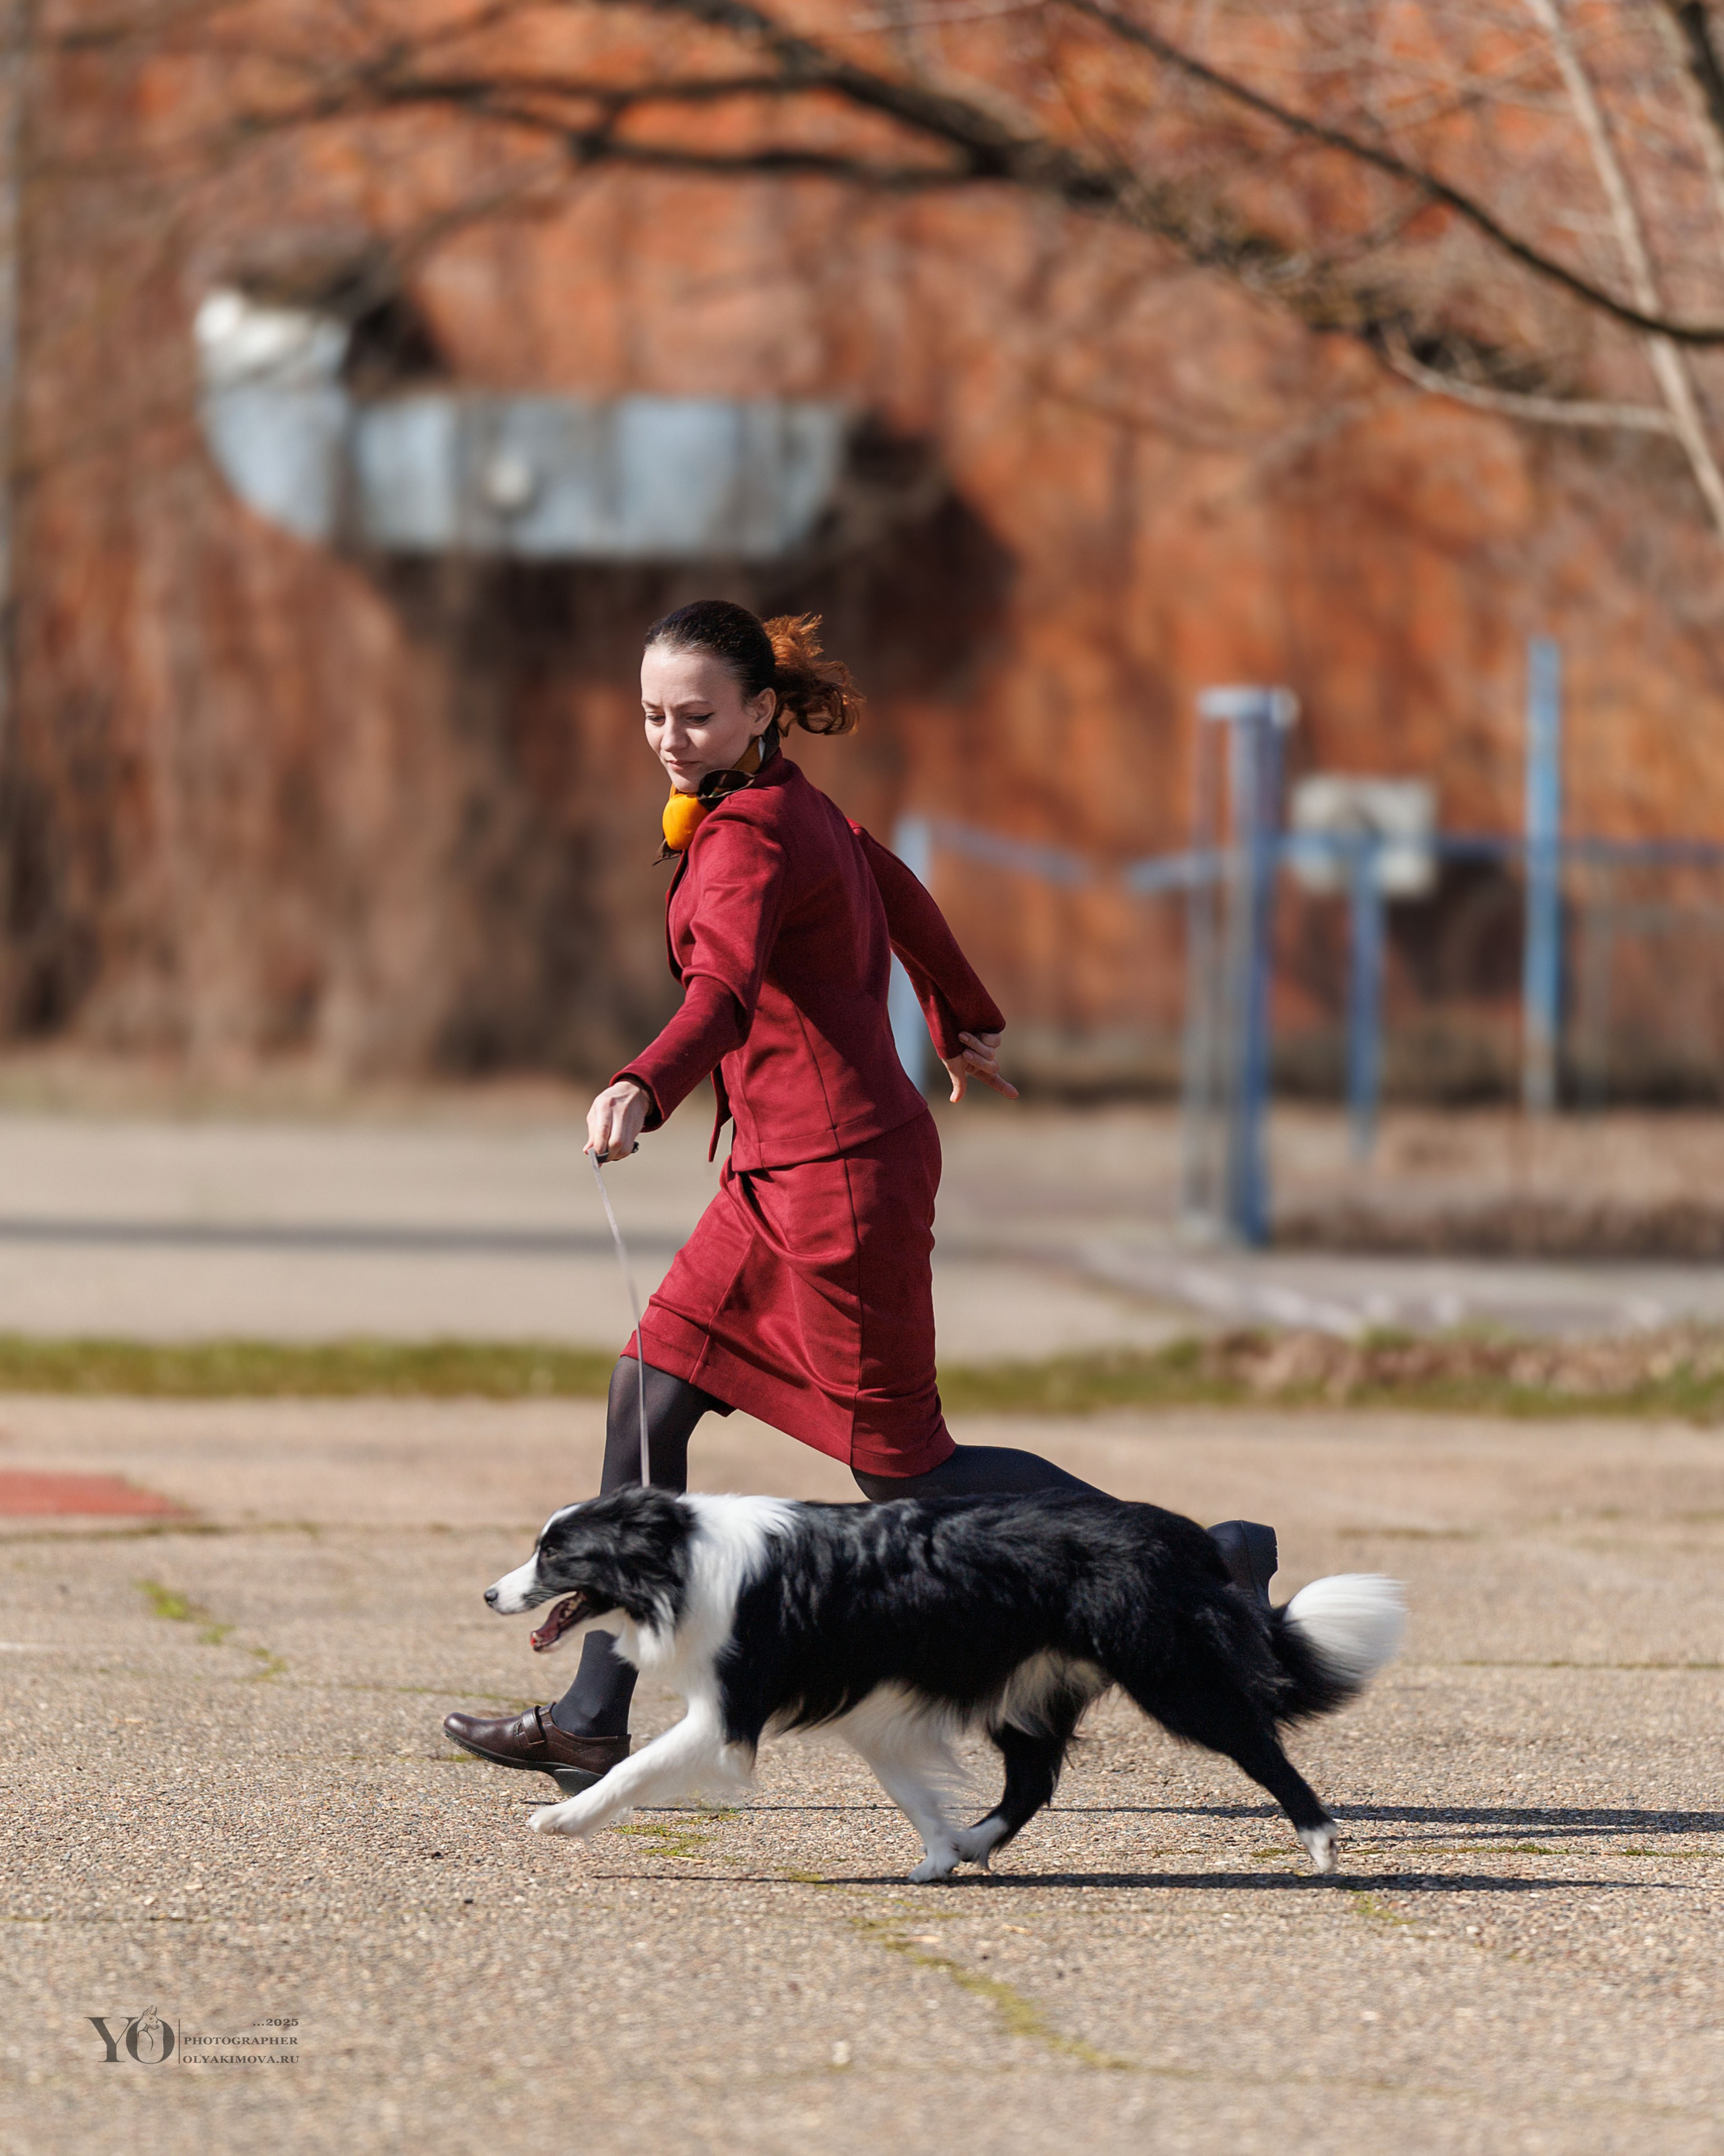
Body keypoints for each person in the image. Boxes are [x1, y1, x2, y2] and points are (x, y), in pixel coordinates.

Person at [444, 601, 1278, 1788]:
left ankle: (1204, 1562)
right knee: (648, 1399)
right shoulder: (789, 807)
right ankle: (591, 1715)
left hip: (840, 1189)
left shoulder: (748, 837)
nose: (671, 739)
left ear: (758, 712)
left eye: (695, 716)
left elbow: (724, 990)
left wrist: (646, 1080)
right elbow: (898, 893)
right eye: (651, 716)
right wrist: (963, 1012)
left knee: (905, 1473)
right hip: (773, 1179)